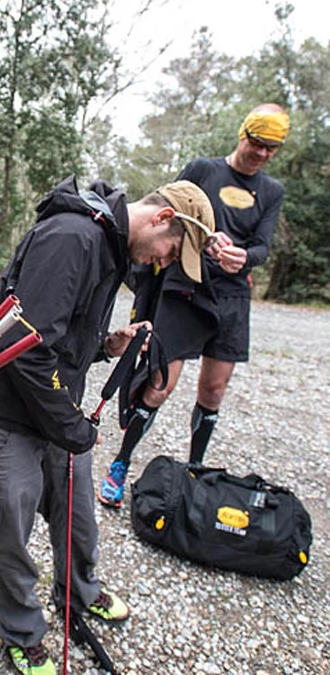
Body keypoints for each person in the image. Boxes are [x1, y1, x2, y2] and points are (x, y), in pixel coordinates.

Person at [0, 176, 215, 675]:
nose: (163, 262)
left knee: (78, 517)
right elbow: (23, 349)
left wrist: (106, 346)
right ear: (162, 218)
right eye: (171, 249)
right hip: (0, 411)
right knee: (9, 534)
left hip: (52, 406)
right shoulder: (73, 237)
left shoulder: (109, 245)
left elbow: (57, 334)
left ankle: (79, 592)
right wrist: (72, 427)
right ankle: (22, 634)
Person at [98, 104, 289, 507]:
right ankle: (120, 463)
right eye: (257, 143)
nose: (262, 153)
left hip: (232, 295)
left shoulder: (271, 191)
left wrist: (244, 257)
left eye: (271, 148)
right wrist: (204, 240)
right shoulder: (204, 169)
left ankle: (195, 472)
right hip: (186, 287)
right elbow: (166, 211)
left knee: (214, 389)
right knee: (159, 384)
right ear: (243, 135)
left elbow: (263, 246)